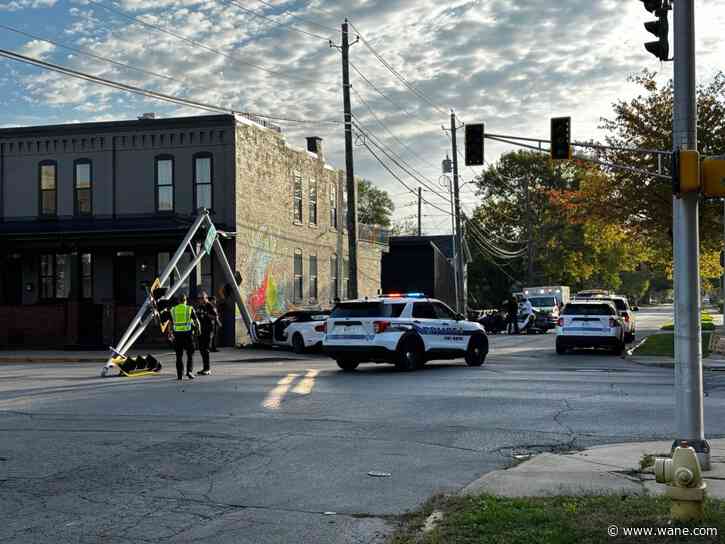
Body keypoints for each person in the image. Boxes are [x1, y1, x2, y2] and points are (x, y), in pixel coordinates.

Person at [170, 293, 201, 380]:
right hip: (188, 335)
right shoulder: (189, 309)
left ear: (178, 301)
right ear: (185, 300)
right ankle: (189, 372)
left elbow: (170, 323)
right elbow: (197, 322)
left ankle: (179, 375)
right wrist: (199, 331)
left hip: (177, 335)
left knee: (178, 356)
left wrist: (170, 333)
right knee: (190, 355)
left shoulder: (173, 310)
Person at [195, 290, 220, 376]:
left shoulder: (210, 305)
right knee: (201, 349)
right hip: (201, 330)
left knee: (205, 349)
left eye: (202, 298)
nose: (200, 300)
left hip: (208, 330)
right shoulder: (199, 306)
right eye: (199, 298)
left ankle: (208, 369)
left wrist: (206, 314)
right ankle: (205, 368)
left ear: (206, 298)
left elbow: (215, 317)